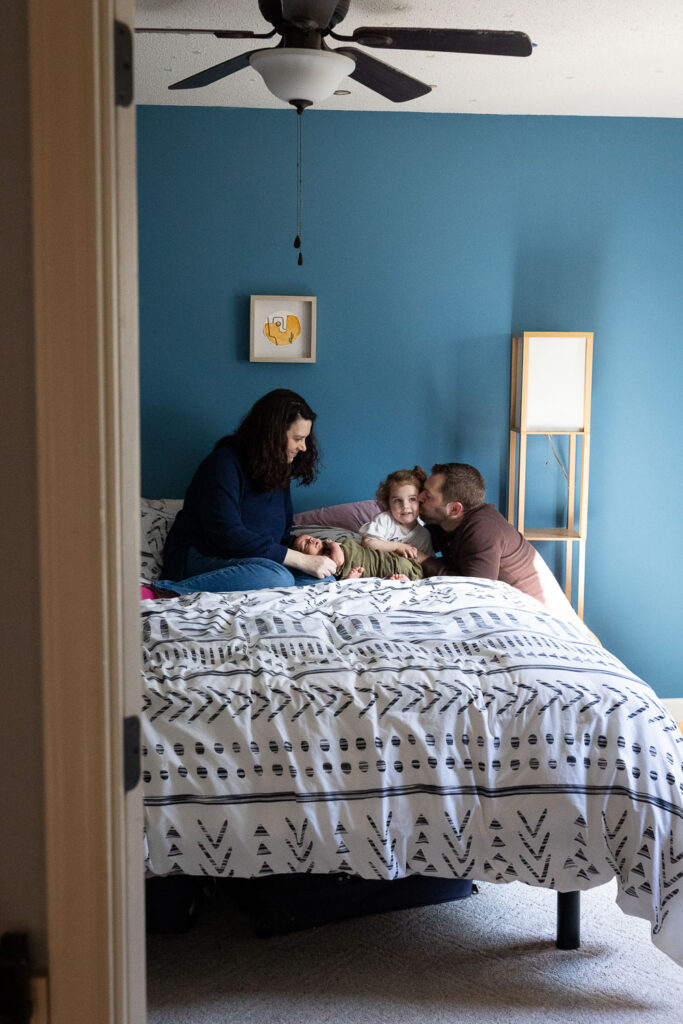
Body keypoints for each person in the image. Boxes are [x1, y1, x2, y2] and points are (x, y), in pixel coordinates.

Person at [155, 389, 337, 595]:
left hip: (255, 560)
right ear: (273, 436)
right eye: (297, 438)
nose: (303, 447)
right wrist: (301, 560)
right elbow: (228, 537)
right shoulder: (223, 464)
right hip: (206, 554)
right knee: (276, 577)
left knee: (324, 579)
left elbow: (278, 536)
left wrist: (310, 552)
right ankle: (167, 591)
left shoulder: (279, 470)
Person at [416, 462, 581, 620]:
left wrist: (423, 559)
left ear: (454, 509)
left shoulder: (482, 530)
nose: (419, 497)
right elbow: (415, 542)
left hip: (544, 619)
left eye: (427, 496)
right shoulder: (448, 523)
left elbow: (474, 593)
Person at [359, 466, 434, 558]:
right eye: (398, 500)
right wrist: (397, 546)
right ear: (388, 503)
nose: (405, 506)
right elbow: (368, 543)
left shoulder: (423, 535)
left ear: (421, 501)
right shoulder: (384, 520)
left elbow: (429, 562)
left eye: (412, 499)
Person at [293, 533, 423, 581]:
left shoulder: (331, 544)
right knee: (383, 573)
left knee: (390, 562)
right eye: (305, 545)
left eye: (309, 537)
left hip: (383, 559)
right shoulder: (325, 560)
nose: (311, 541)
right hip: (380, 568)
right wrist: (333, 545)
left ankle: (408, 579)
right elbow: (338, 561)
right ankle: (406, 583)